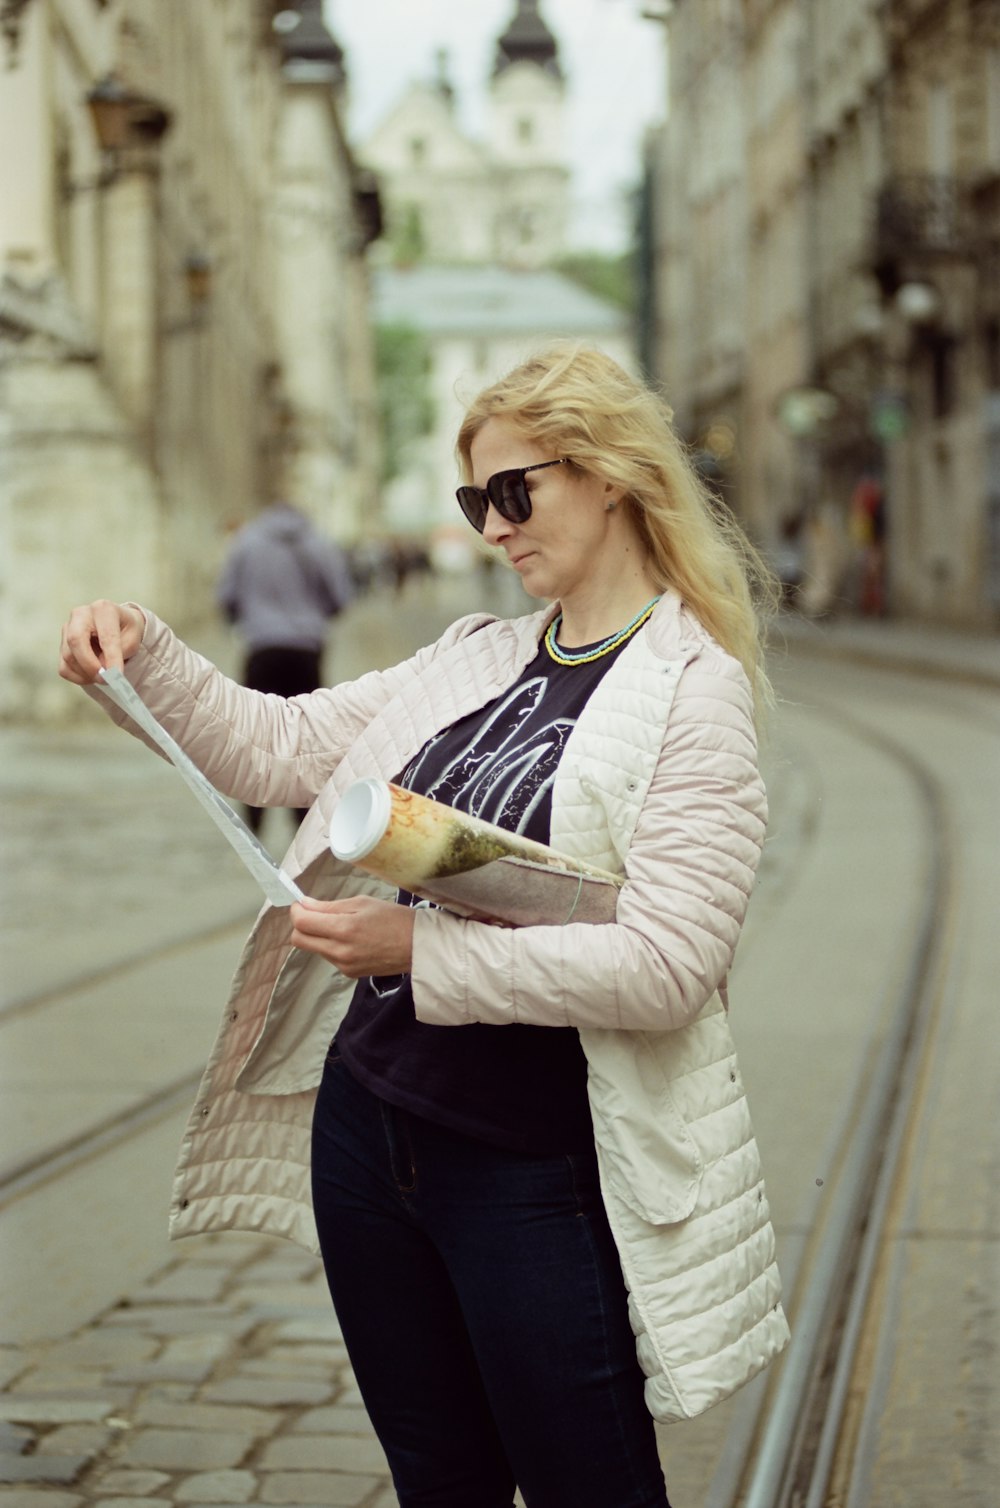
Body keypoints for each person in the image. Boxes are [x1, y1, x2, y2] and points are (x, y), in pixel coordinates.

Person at [59, 343, 789, 1508]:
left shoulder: (687, 689)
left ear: (608, 476)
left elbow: (668, 967)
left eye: (516, 492)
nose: (493, 527)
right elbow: (278, 745)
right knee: (438, 1480)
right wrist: (142, 653)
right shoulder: (477, 654)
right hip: (372, 1132)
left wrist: (422, 949)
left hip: (530, 1158)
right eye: (473, 499)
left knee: (586, 1481)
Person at [216, 498, 354, 832]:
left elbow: (226, 596)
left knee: (254, 736)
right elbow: (340, 598)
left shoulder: (246, 542)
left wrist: (249, 620)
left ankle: (253, 819)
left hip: (262, 646)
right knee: (306, 739)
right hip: (306, 650)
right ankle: (302, 821)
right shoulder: (319, 543)